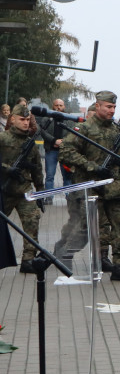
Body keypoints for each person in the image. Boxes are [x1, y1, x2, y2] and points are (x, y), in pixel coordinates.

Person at [58, 91, 120, 282]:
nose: (112, 110)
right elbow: (66, 152)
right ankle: (65, 253)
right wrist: (93, 167)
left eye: (114, 107)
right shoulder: (84, 129)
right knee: (87, 229)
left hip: (117, 189)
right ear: (97, 106)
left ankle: (119, 266)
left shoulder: (117, 131)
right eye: (108, 107)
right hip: (93, 187)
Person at [0, 103, 44, 272]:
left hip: (24, 190)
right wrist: (6, 168)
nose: (26, 123)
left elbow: (37, 169)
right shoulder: (3, 139)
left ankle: (28, 259)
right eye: (22, 119)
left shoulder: (30, 143)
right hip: (4, 190)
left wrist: (40, 193)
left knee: (32, 220)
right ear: (12, 119)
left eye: (28, 120)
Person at [37, 97, 68, 196]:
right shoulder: (47, 118)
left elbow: (74, 133)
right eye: (56, 105)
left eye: (60, 105)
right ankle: (49, 197)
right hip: (51, 150)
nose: (58, 107)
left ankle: (69, 197)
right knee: (50, 175)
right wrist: (54, 141)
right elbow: (42, 131)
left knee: (67, 176)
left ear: (64, 107)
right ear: (53, 106)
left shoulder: (69, 119)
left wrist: (62, 142)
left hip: (66, 151)